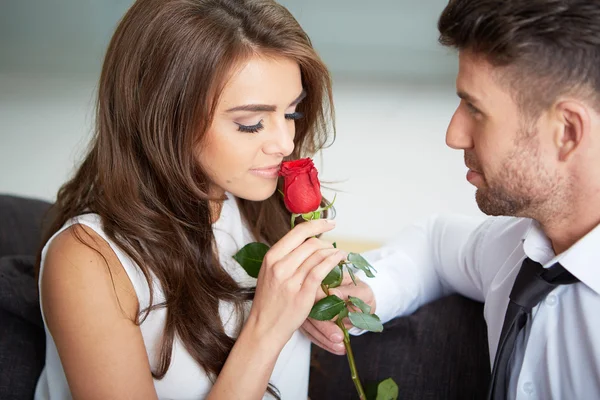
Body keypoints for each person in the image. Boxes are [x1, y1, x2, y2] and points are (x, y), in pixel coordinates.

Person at [34, 0, 346, 399]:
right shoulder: (88, 261)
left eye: (292, 113)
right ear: (163, 117)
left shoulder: (258, 204)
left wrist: (337, 301)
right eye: (250, 124)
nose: (286, 144)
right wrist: (266, 330)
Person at [302, 0, 600, 398]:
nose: (454, 135)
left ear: (567, 130)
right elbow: (436, 243)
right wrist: (371, 293)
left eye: (475, 109)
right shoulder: (523, 250)